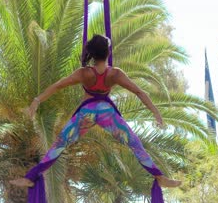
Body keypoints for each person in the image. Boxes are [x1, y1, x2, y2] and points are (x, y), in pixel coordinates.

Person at [10, 34, 181, 188]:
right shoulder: (115, 74)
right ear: (108, 52)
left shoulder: (84, 73)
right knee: (134, 143)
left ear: (92, 53)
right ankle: (159, 176)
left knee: (60, 144)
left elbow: (58, 85)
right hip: (107, 113)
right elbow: (139, 92)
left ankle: (30, 177)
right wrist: (156, 112)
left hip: (86, 113)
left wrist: (37, 100)